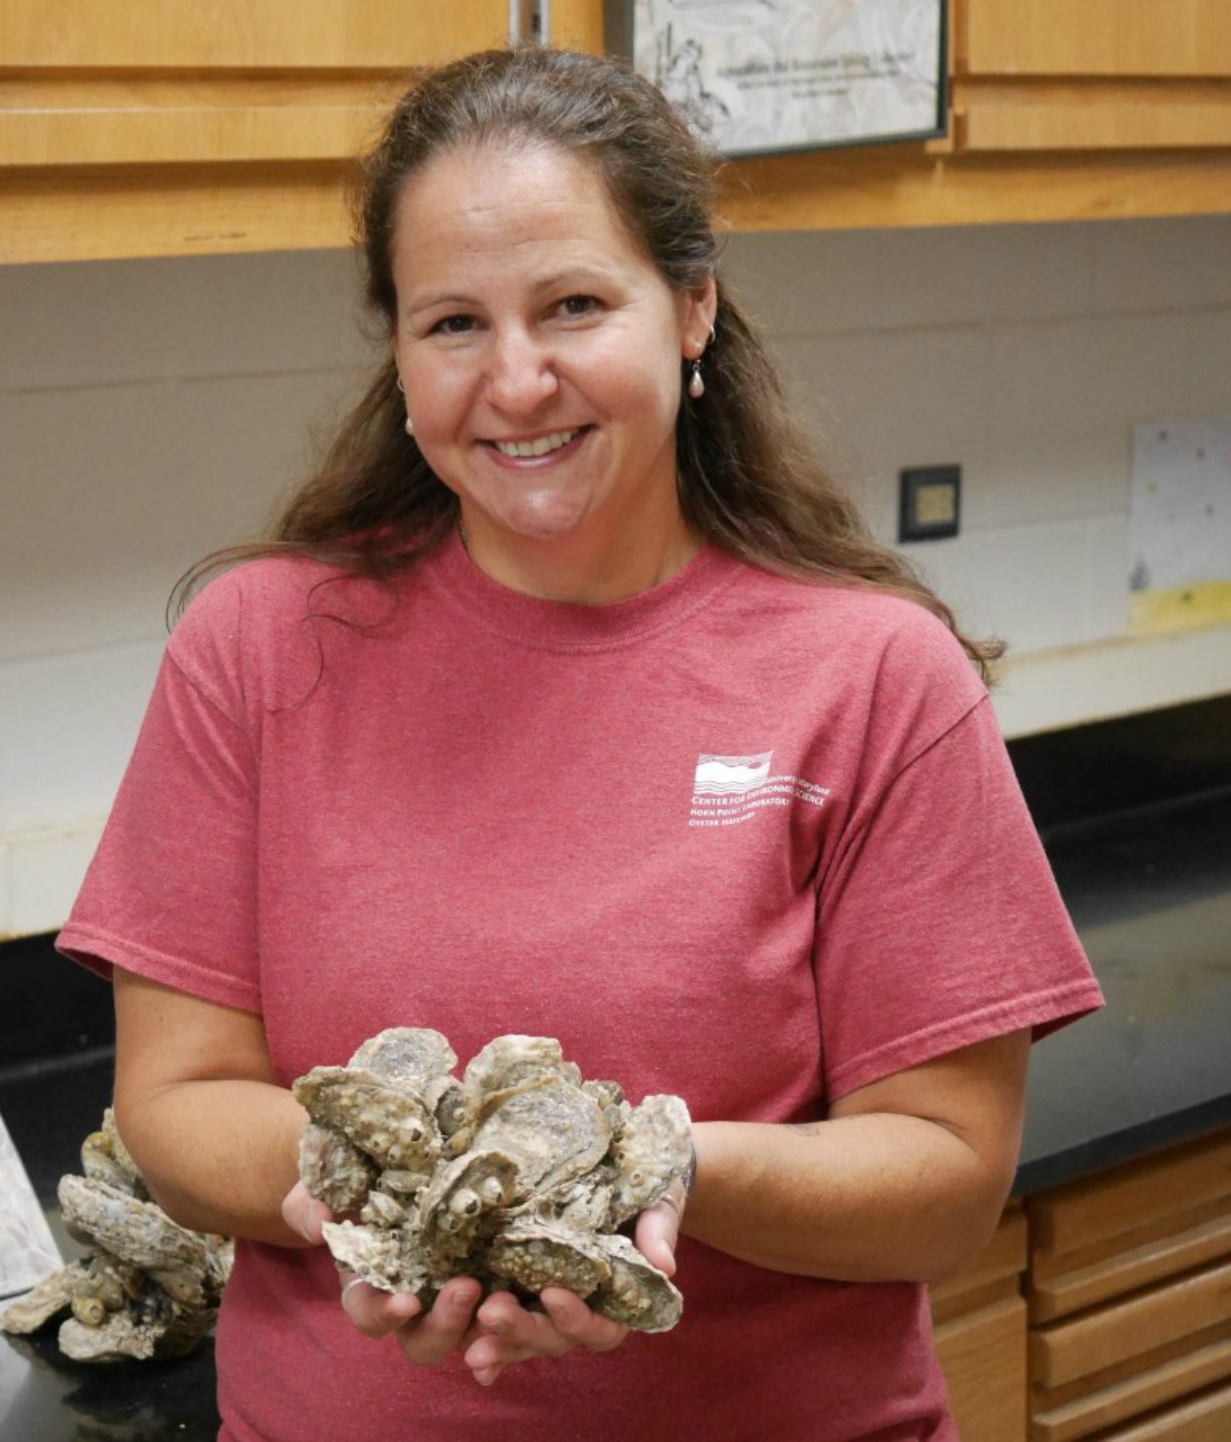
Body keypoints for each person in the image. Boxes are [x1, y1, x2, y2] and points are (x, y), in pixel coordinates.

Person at [56, 45, 1102, 1442]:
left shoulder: (876, 676)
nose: (518, 379)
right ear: (398, 353)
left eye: (573, 305)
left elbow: (947, 1178)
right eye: (453, 325)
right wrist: (370, 1194)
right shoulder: (258, 648)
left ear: (693, 308)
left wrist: (649, 1175)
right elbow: (177, 1098)